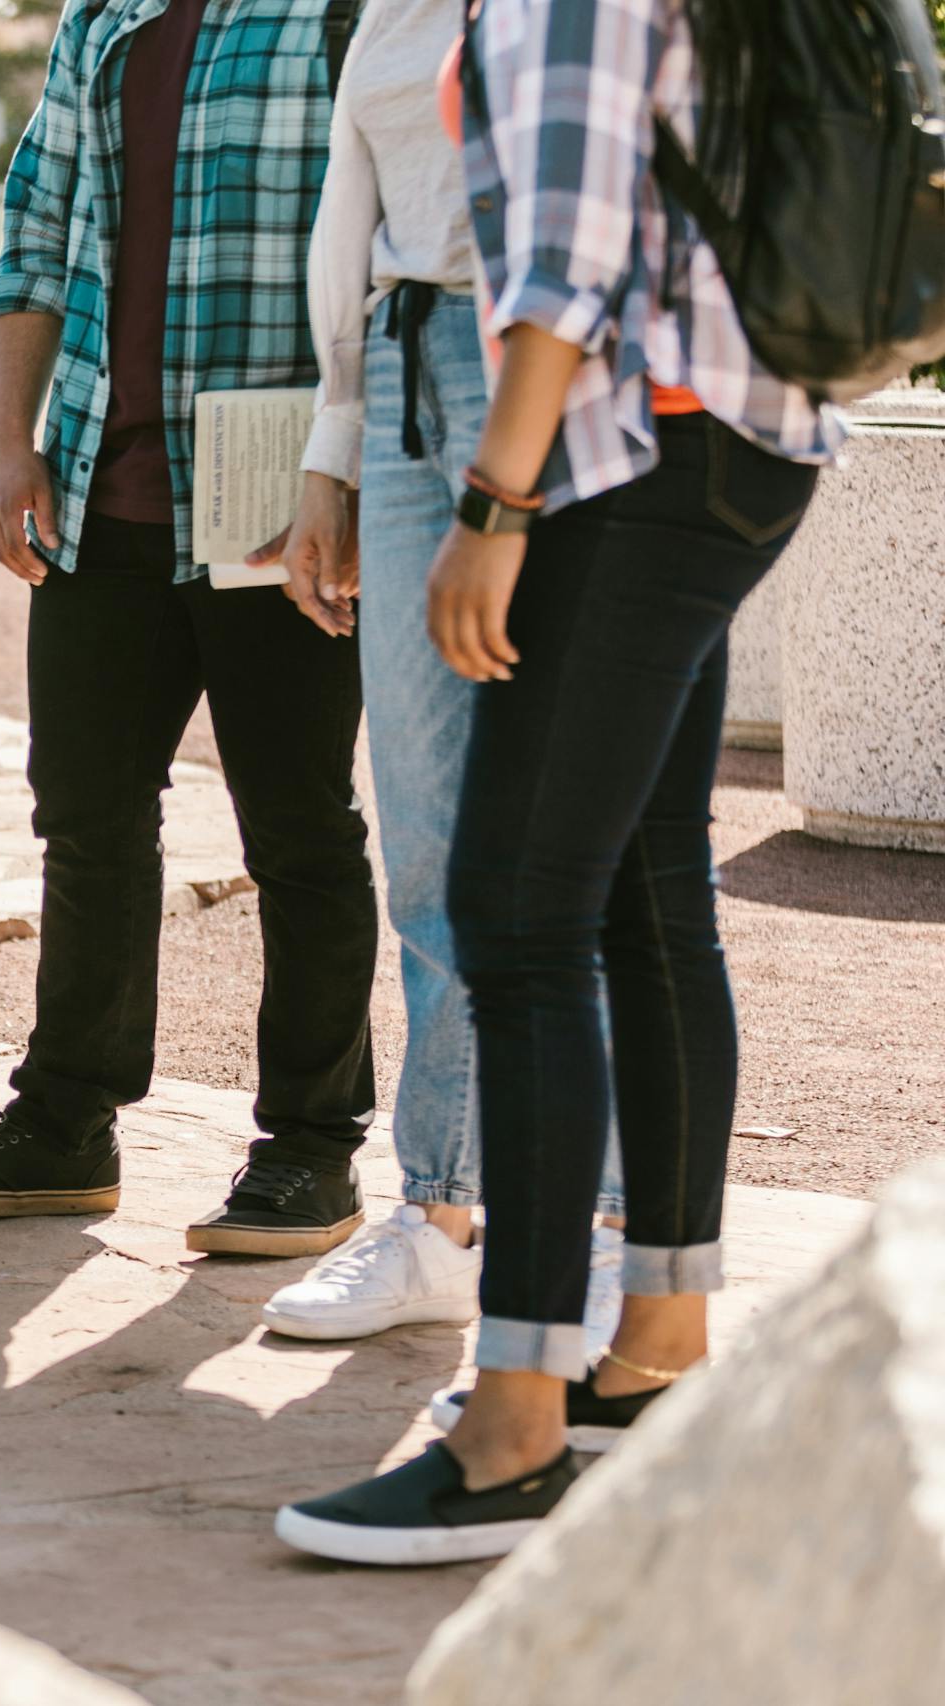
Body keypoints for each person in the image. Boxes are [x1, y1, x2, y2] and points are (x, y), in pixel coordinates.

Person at [276, 0, 839, 1563]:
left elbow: (571, 250)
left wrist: (496, 500)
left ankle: (513, 1426)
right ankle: (657, 1342)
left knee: (517, 922)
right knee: (652, 897)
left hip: (628, 460)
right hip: (726, 438)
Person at [0, 0, 382, 1257]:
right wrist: (9, 445)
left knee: (299, 827)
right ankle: (65, 1124)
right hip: (104, 477)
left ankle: (310, 1148)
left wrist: (352, 464)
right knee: (87, 815)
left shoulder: (341, 10)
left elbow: (391, 242)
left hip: (281, 481)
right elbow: (37, 237)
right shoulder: (105, 13)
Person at [249, 0, 627, 1346]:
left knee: (577, 839)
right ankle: (445, 1211)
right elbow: (356, 204)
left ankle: (597, 1226)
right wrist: (333, 449)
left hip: (564, 379)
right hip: (406, 368)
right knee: (427, 838)